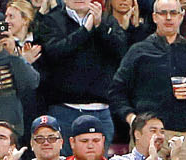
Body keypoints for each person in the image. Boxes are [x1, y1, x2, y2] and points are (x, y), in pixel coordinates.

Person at [109, 0, 186, 160]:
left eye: (173, 13)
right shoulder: (138, 51)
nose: (168, 18)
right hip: (147, 136)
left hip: (185, 138)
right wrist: (132, 119)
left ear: (181, 16)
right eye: (163, 13)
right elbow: (116, 91)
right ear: (154, 17)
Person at [34, 0, 130, 135]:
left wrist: (100, 26)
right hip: (64, 110)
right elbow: (55, 52)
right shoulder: (52, 20)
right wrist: (85, 30)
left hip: (101, 111)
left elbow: (121, 51)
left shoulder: (106, 19)